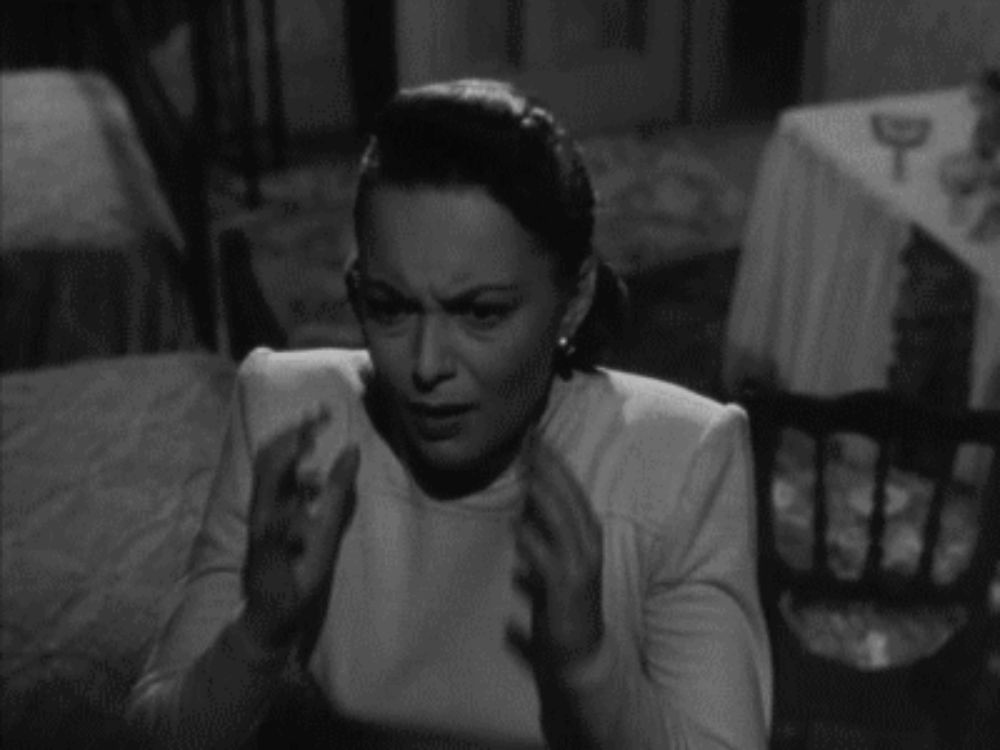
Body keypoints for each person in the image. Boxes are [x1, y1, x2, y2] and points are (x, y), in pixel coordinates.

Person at [127, 78, 771, 749]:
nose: (427, 363)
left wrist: (589, 664)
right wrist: (258, 633)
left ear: (573, 300)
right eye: (391, 306)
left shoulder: (680, 463)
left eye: (480, 312)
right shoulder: (287, 419)